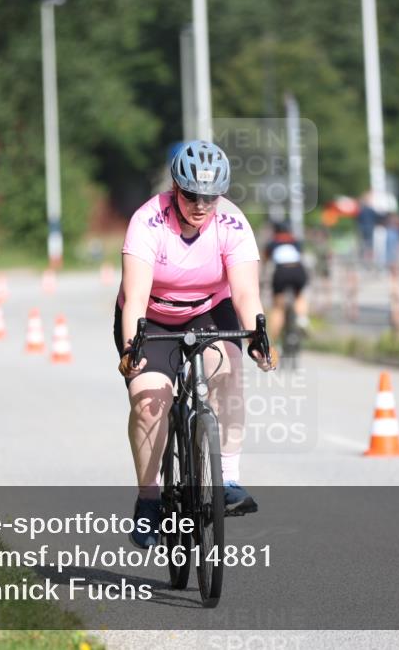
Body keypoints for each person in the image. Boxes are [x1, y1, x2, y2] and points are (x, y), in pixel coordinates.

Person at [115, 140, 277, 549]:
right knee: (149, 401)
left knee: (229, 373)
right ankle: (149, 500)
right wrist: (133, 345)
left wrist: (258, 336)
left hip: (209, 310)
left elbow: (244, 294)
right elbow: (134, 295)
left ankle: (228, 479)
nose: (201, 205)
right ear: (175, 188)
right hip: (150, 315)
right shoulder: (148, 221)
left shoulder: (233, 223)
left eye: (211, 196)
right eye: (191, 195)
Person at [264, 220, 310, 341]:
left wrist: (263, 277)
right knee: (299, 296)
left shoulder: (272, 243)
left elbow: (266, 261)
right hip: (298, 270)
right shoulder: (296, 242)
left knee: (278, 307)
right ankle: (302, 319)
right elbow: (301, 255)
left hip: (281, 272)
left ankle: (273, 341)